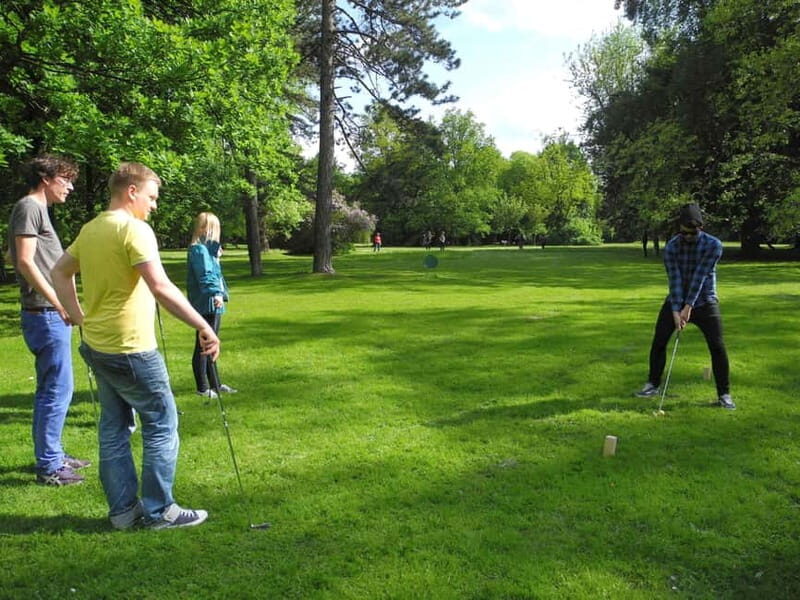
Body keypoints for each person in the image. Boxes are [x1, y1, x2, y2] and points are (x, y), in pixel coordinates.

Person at [52, 162, 221, 530]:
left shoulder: (91, 228)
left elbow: (59, 273)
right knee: (161, 423)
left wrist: (79, 318)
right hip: (132, 349)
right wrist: (203, 325)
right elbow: (161, 287)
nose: (154, 205)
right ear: (131, 192)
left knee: (114, 428)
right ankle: (161, 511)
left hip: (98, 345)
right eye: (151, 196)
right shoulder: (135, 229)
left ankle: (123, 514)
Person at [8, 154, 90, 486]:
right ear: (46, 179)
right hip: (44, 314)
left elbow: (12, 254)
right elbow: (25, 262)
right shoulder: (29, 207)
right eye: (65, 179)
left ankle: (53, 453)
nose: (70, 186)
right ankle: (50, 466)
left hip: (46, 312)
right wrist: (58, 302)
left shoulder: (36, 210)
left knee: (57, 388)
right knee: (55, 390)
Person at [635, 203, 734, 409]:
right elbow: (675, 279)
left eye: (692, 234)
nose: (688, 237)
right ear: (679, 229)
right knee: (659, 341)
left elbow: (700, 276)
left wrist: (688, 307)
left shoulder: (714, 245)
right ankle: (652, 385)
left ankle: (724, 395)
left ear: (701, 228)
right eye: (684, 233)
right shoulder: (672, 246)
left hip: (705, 300)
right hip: (676, 299)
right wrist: (675, 310)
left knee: (717, 346)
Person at [186, 212, 235, 399]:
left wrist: (217, 258)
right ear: (202, 229)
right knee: (203, 345)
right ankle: (202, 387)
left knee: (211, 344)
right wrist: (216, 293)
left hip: (213, 301)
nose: (215, 233)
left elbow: (214, 271)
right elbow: (205, 275)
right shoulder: (199, 250)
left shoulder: (209, 251)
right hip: (207, 302)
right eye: (212, 228)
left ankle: (216, 384)